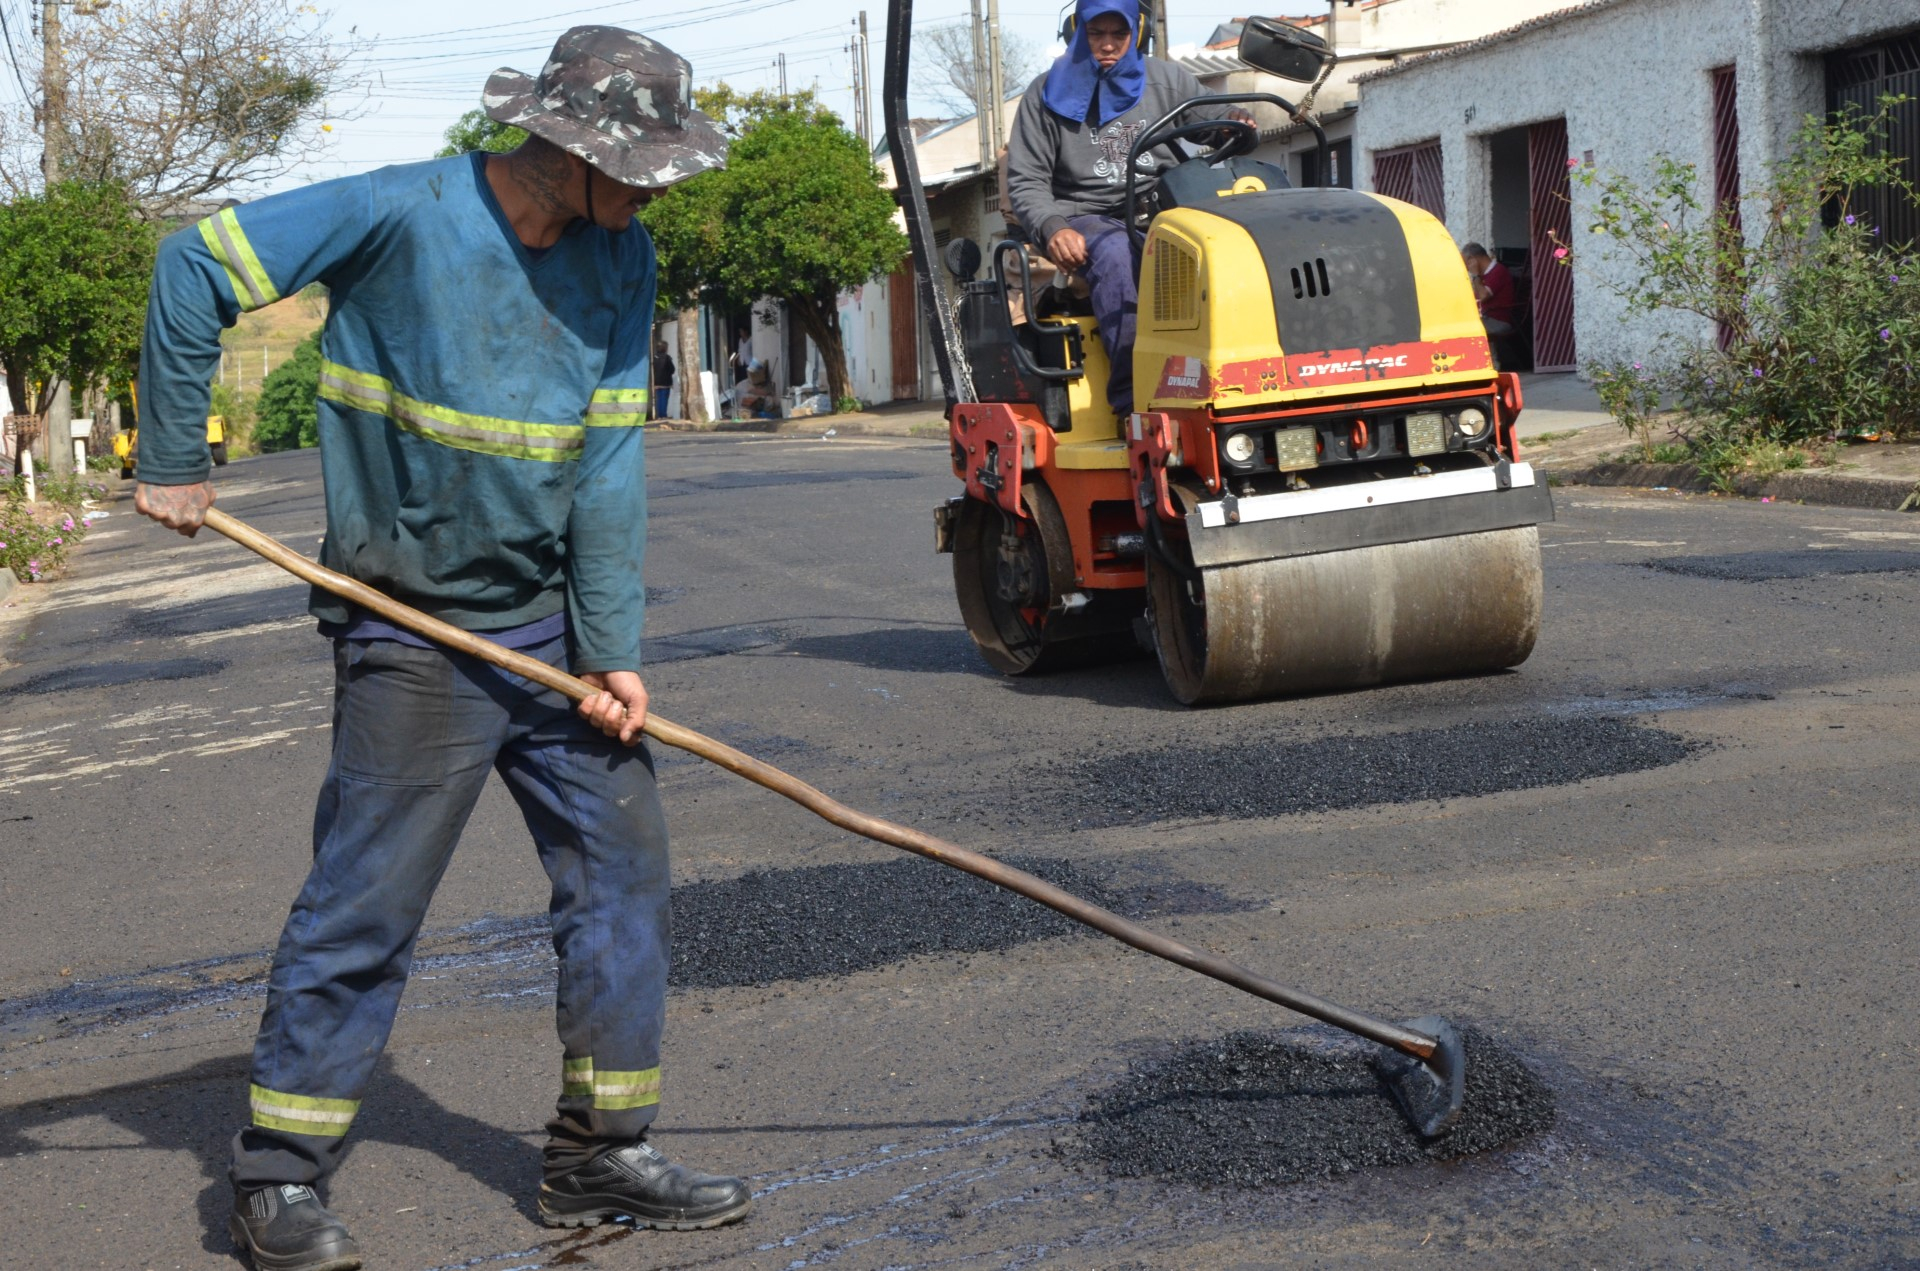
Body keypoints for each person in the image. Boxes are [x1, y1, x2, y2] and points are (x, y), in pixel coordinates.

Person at [132, 26, 749, 1271]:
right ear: (567, 147)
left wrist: (610, 648)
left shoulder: (621, 257)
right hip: (413, 633)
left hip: (549, 635)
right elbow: (193, 264)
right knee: (366, 905)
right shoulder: (398, 212)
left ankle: (597, 1152)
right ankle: (277, 1174)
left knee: (622, 872)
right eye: (637, 170)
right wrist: (173, 454)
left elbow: (608, 463)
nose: (651, 195)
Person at [1005, 0, 1250, 416]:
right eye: (1096, 33)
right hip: (1087, 216)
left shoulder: (1166, 79)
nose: (1108, 45)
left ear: (1136, 34)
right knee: (1118, 253)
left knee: (1228, 242)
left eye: (1118, 34)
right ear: (1076, 33)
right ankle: (1134, 402)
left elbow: (1211, 116)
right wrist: (1053, 226)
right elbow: (1026, 180)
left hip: (1164, 206)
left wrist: (1233, 120)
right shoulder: (1044, 93)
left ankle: (1238, 378)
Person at [1461, 241, 1519, 336]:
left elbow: (1483, 296)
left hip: (1497, 321)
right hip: (1485, 318)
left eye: (1466, 264)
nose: (1467, 268)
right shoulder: (1483, 275)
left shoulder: (1498, 271)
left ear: (1472, 259)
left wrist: (1475, 276)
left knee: (1461, 329)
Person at [653, 337, 676, 419]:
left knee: (659, 398)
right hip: (666, 382)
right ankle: (663, 415)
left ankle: (660, 415)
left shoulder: (654, 358)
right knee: (664, 398)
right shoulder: (667, 358)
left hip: (656, 382)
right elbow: (672, 369)